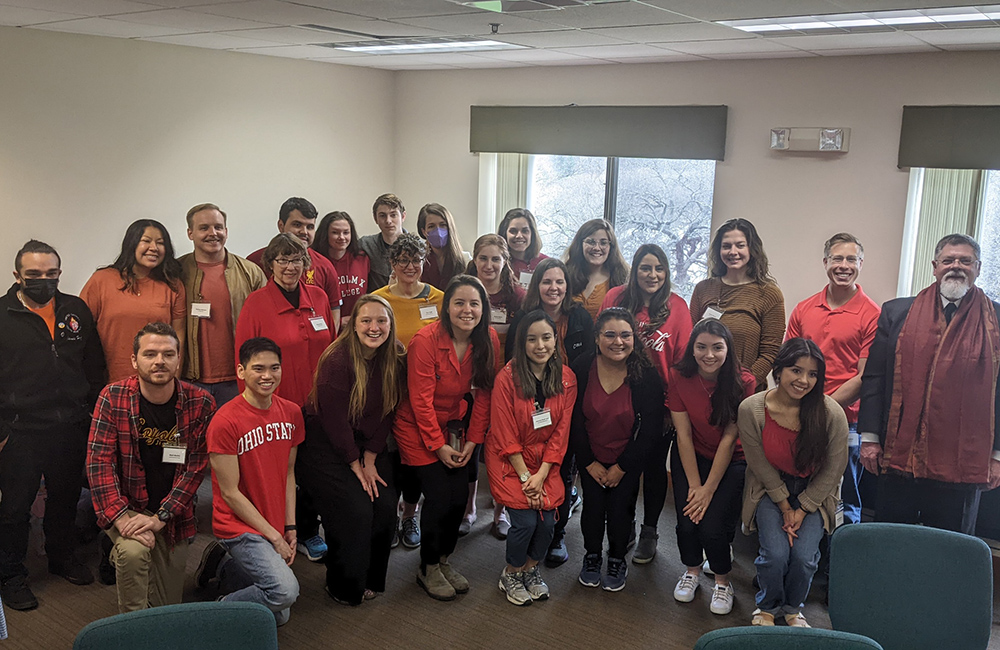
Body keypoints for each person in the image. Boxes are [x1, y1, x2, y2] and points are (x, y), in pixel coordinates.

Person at [859, 233, 1000, 535]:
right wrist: (869, 437)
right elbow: (875, 377)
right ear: (935, 266)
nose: (956, 267)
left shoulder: (997, 321)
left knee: (949, 550)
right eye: (948, 260)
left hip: (962, 461)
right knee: (891, 541)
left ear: (978, 266)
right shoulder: (897, 312)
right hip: (899, 455)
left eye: (965, 261)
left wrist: (997, 455)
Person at [0, 241, 105, 611]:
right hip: (20, 431)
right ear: (17, 276)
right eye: (34, 275)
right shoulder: (2, 315)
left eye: (51, 274)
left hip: (70, 427)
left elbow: (94, 368)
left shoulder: (75, 309)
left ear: (59, 273)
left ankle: (62, 558)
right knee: (15, 509)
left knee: (65, 500)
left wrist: (92, 413)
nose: (43, 281)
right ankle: (11, 575)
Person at [87, 323, 213, 613]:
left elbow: (194, 470)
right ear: (134, 360)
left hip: (173, 515)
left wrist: (161, 518)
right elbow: (99, 464)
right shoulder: (112, 397)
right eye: (150, 354)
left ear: (178, 359)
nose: (159, 361)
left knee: (166, 608)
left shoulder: (201, 403)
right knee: (134, 554)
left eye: (168, 354)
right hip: (127, 506)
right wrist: (120, 519)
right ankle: (134, 630)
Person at [393, 275, 501, 601]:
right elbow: (419, 400)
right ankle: (427, 568)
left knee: (459, 498)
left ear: (484, 309)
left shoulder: (489, 340)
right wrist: (437, 446)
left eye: (474, 303)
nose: (467, 310)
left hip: (456, 427)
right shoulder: (425, 341)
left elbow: (484, 396)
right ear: (446, 307)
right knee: (440, 496)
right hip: (416, 426)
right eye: (459, 303)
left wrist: (472, 442)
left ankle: (443, 559)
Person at [297, 295, 405, 605]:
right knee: (355, 508)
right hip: (325, 446)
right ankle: (342, 583)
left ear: (390, 324)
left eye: (381, 321)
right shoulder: (337, 359)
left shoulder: (395, 355)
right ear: (353, 326)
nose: (374, 327)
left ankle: (371, 577)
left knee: (384, 504)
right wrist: (355, 464)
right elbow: (333, 422)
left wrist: (370, 457)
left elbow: (389, 410)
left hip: (365, 442)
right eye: (366, 321)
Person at [235, 233, 333, 562]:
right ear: (270, 265)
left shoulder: (318, 298)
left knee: (317, 470)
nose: (289, 267)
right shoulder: (256, 304)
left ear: (306, 264)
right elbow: (244, 361)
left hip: (319, 405)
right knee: (284, 472)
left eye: (296, 260)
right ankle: (294, 532)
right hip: (277, 408)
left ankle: (310, 528)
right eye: (282, 260)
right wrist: (250, 412)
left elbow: (332, 349)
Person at [739, 338, 848, 628]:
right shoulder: (752, 408)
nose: (804, 380)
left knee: (803, 558)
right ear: (779, 370)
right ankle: (767, 606)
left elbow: (834, 468)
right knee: (775, 554)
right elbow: (758, 463)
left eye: (813, 374)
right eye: (796, 371)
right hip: (770, 489)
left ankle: (791, 608)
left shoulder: (831, 413)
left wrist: (802, 509)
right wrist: (785, 505)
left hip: (815, 493)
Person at [200, 337, 303, 626]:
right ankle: (219, 608)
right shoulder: (225, 421)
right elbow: (230, 494)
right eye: (258, 368)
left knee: (279, 616)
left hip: (272, 521)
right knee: (284, 592)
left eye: (274, 368)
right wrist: (273, 536)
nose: (267, 376)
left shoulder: (292, 413)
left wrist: (290, 526)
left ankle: (226, 567)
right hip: (238, 525)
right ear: (241, 371)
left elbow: (289, 473)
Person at [600, 244, 692, 563]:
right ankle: (622, 529)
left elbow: (682, 365)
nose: (652, 275)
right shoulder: (615, 298)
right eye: (645, 268)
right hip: (619, 396)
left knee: (654, 469)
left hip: (660, 402)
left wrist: (671, 410)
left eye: (659, 269)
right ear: (634, 270)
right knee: (623, 463)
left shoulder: (678, 307)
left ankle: (649, 531)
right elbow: (602, 342)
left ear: (666, 273)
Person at [785, 233, 879, 525]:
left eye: (851, 259)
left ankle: (840, 563)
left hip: (847, 421)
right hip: (801, 414)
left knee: (845, 496)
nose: (843, 265)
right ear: (825, 262)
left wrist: (821, 407)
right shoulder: (804, 308)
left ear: (861, 264)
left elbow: (864, 377)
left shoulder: (872, 314)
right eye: (837, 258)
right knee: (799, 487)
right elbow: (788, 367)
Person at [571, 308, 664, 593]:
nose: (618, 342)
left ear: (634, 338)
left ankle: (616, 559)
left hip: (627, 458)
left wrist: (622, 466)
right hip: (591, 456)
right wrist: (588, 463)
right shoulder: (581, 366)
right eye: (609, 335)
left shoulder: (646, 375)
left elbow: (650, 429)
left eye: (625, 335)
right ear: (597, 338)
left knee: (622, 510)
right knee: (593, 510)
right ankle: (592, 555)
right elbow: (572, 420)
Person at [507, 258, 593, 564]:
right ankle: (528, 528)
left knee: (564, 474)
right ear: (537, 286)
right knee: (530, 467)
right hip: (530, 408)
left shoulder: (581, 317)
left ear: (567, 286)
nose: (553, 288)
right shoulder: (523, 320)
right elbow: (512, 369)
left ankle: (556, 536)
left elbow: (591, 365)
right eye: (546, 282)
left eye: (559, 282)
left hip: (570, 405)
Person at [487, 311, 576, 606]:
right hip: (511, 461)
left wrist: (542, 475)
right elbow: (504, 434)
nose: (540, 345)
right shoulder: (506, 378)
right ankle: (511, 572)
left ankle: (531, 569)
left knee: (548, 522)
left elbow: (561, 433)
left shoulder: (566, 378)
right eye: (532, 339)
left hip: (547, 463)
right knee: (525, 522)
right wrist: (527, 478)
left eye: (547, 337)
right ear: (522, 343)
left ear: (555, 340)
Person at [668, 319, 755, 616]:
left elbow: (730, 438)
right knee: (686, 521)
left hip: (731, 459)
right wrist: (695, 487)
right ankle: (691, 571)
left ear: (728, 350)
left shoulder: (744, 381)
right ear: (692, 349)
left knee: (714, 527)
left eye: (717, 348)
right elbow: (683, 434)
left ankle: (721, 580)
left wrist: (708, 490)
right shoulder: (678, 376)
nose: (709, 355)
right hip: (690, 453)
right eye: (701, 347)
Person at [460, 234, 526, 537]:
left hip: (506, 384)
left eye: (495, 259)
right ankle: (470, 508)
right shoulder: (463, 290)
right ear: (475, 259)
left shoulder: (518, 297)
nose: (489, 265)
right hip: (469, 382)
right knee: (470, 445)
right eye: (483, 258)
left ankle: (501, 511)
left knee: (503, 447)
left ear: (505, 261)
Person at [179, 203, 266, 408]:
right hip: (189, 380)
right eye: (204, 228)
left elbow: (266, 325)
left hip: (238, 379)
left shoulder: (250, 272)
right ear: (190, 233)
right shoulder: (176, 272)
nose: (213, 233)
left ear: (226, 231)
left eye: (218, 227)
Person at [81, 219, 186, 383]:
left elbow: (179, 336)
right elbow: (82, 330)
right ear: (131, 244)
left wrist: (174, 381)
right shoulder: (101, 280)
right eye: (146, 241)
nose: (154, 248)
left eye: (160, 243)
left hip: (157, 383)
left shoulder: (173, 285)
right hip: (109, 381)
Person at [689, 218, 785, 391]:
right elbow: (691, 340)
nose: (733, 252)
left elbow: (770, 352)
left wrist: (744, 384)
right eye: (726, 246)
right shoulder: (703, 289)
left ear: (752, 249)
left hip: (745, 391)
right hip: (703, 388)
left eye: (740, 245)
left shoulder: (768, 294)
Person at [246, 197, 342, 328]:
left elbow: (333, 313)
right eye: (297, 225)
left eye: (310, 226)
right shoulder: (255, 263)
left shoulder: (325, 266)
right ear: (281, 226)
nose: (304, 232)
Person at [372, 233, 445, 347]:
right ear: (392, 263)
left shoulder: (440, 298)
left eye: (416, 260)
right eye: (404, 260)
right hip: (390, 363)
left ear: (423, 262)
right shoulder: (378, 300)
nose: (410, 267)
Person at [311, 211, 370, 329]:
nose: (342, 237)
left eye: (346, 232)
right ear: (325, 234)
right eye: (335, 232)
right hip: (328, 329)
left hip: (360, 329)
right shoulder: (316, 263)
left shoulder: (362, 258)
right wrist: (337, 320)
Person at [564, 219, 629, 322]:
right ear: (580, 244)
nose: (597, 248)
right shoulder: (564, 275)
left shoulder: (623, 278)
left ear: (611, 247)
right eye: (591, 242)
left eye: (603, 243)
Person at [359, 193, 407, 291]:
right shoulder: (365, 245)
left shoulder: (418, 248)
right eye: (382, 216)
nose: (388, 221)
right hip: (377, 303)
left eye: (393, 215)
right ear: (375, 218)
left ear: (403, 216)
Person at [418, 203, 468, 291]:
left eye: (443, 225)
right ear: (424, 231)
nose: (438, 230)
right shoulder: (419, 261)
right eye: (431, 226)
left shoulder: (465, 259)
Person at [498, 208, 548, 287]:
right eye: (513, 231)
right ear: (504, 233)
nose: (519, 236)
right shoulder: (498, 264)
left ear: (532, 234)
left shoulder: (545, 263)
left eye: (525, 231)